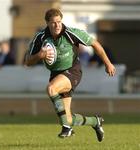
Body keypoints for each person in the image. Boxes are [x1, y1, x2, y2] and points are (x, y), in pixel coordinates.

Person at [24, 8, 116, 142]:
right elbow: (28, 62)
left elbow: (95, 44)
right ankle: (95, 122)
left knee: (51, 89)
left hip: (72, 71)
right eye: (53, 23)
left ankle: (66, 128)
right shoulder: (40, 37)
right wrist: (40, 55)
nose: (57, 25)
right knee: (68, 118)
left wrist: (108, 63)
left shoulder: (71, 33)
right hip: (56, 74)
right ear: (47, 23)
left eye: (59, 22)